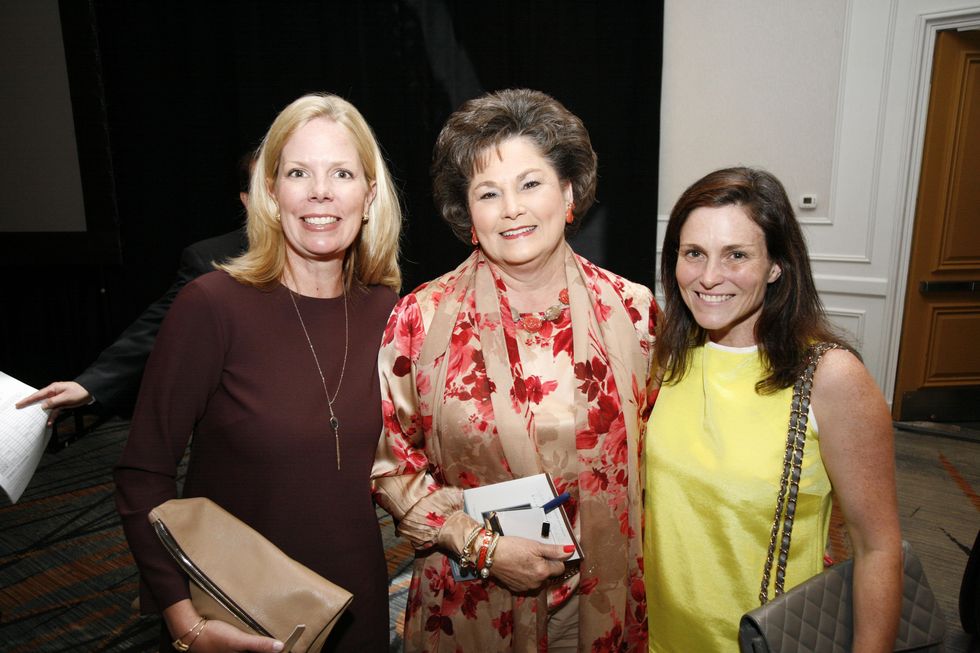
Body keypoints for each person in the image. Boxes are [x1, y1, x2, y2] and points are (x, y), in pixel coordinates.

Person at [372, 88, 658, 652]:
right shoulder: (420, 319)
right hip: (475, 602)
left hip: (607, 601)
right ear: (468, 214)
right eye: (488, 193)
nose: (512, 208)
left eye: (530, 184)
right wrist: (483, 547)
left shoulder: (634, 311)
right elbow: (389, 467)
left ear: (568, 192)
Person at [114, 93, 401, 653]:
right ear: (271, 193)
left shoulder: (390, 310)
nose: (320, 191)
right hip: (240, 610)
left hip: (358, 603)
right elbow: (142, 473)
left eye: (341, 173)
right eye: (298, 172)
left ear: (368, 196)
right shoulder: (212, 305)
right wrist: (183, 620)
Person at [644, 167, 902, 652]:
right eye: (693, 253)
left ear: (776, 266)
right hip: (659, 638)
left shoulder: (830, 377)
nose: (709, 277)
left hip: (767, 642)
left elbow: (878, 549)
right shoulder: (666, 356)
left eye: (736, 255)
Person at [14, 152, 255, 424]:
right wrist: (89, 385)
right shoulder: (215, 258)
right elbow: (158, 327)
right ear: (247, 201)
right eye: (268, 188)